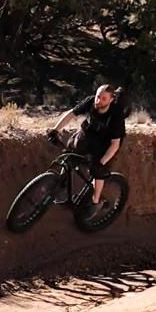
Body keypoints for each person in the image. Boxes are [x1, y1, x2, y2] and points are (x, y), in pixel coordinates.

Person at [46, 84, 125, 220]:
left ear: (111, 100)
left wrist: (102, 162)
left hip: (106, 144)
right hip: (88, 135)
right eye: (98, 97)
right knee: (69, 152)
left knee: (98, 171)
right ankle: (62, 185)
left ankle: (95, 202)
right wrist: (55, 130)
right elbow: (71, 114)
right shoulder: (90, 101)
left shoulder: (116, 115)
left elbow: (115, 144)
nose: (98, 101)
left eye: (103, 99)